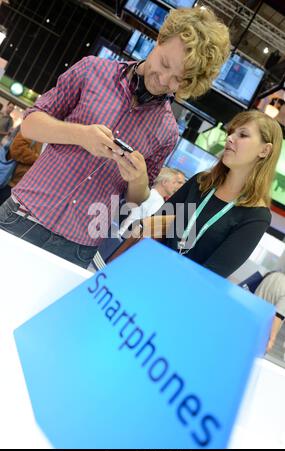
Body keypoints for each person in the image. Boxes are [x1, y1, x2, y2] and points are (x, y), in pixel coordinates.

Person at [0, 7, 231, 268]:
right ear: (159, 39)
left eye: (179, 80)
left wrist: (139, 179)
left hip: (78, 247)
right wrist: (80, 134)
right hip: (23, 215)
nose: (164, 80)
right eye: (165, 64)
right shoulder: (92, 70)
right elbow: (30, 125)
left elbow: (134, 200)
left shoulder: (167, 131)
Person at [142, 110, 283, 278]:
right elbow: (154, 226)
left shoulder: (256, 216)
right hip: (145, 270)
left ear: (265, 151)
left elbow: (211, 276)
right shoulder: (200, 182)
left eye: (243, 135)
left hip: (179, 296)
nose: (230, 138)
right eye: (231, 132)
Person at [118, 167, 182, 236]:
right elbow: (149, 229)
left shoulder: (148, 193)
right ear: (164, 182)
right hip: (128, 240)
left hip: (123, 235)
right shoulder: (158, 201)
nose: (178, 187)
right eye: (175, 183)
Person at [0, 131, 42, 205]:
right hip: (11, 181)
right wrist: (39, 159)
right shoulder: (31, 131)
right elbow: (17, 150)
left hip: (24, 187)